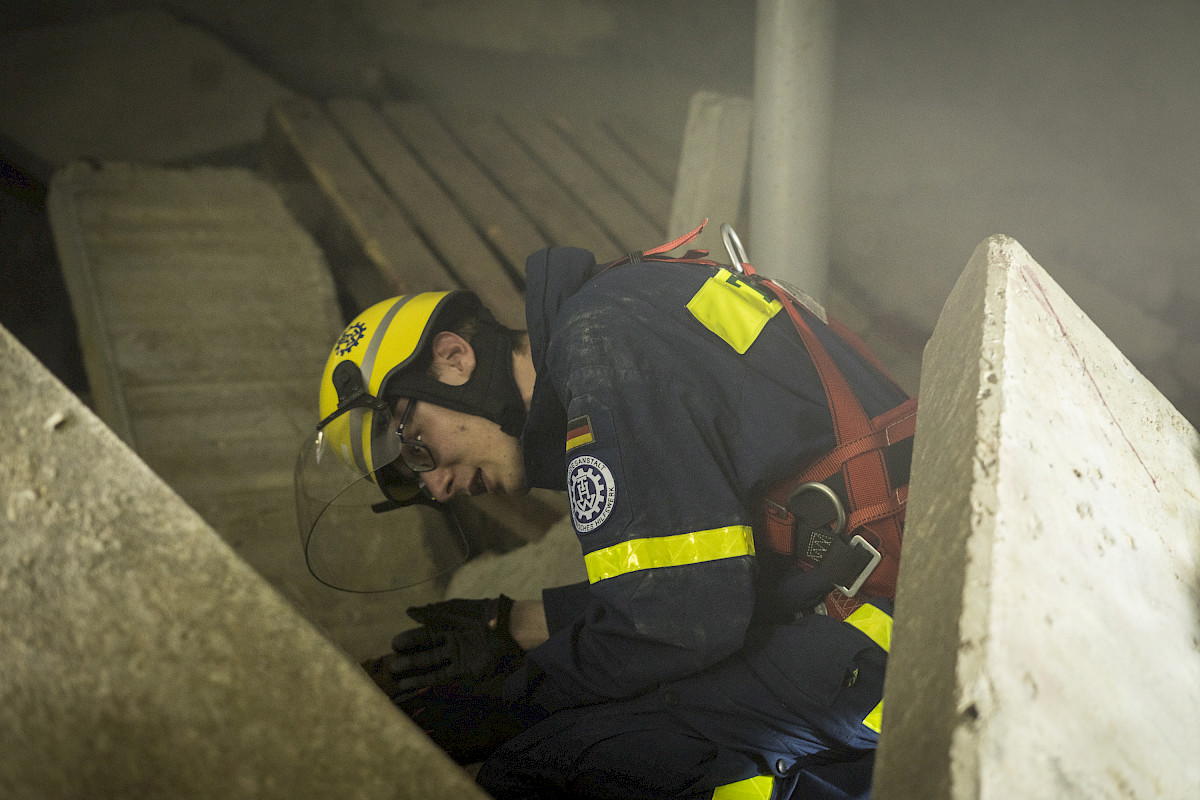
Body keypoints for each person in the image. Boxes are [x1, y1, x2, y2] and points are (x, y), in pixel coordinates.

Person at [297, 222, 915, 799]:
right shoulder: (614, 313)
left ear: (454, 358)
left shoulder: (601, 347)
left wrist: (508, 699)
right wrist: (513, 625)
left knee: (541, 770)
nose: (433, 488)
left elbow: (681, 621)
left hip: (895, 635)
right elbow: (701, 573)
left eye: (416, 448)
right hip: (890, 583)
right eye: (409, 480)